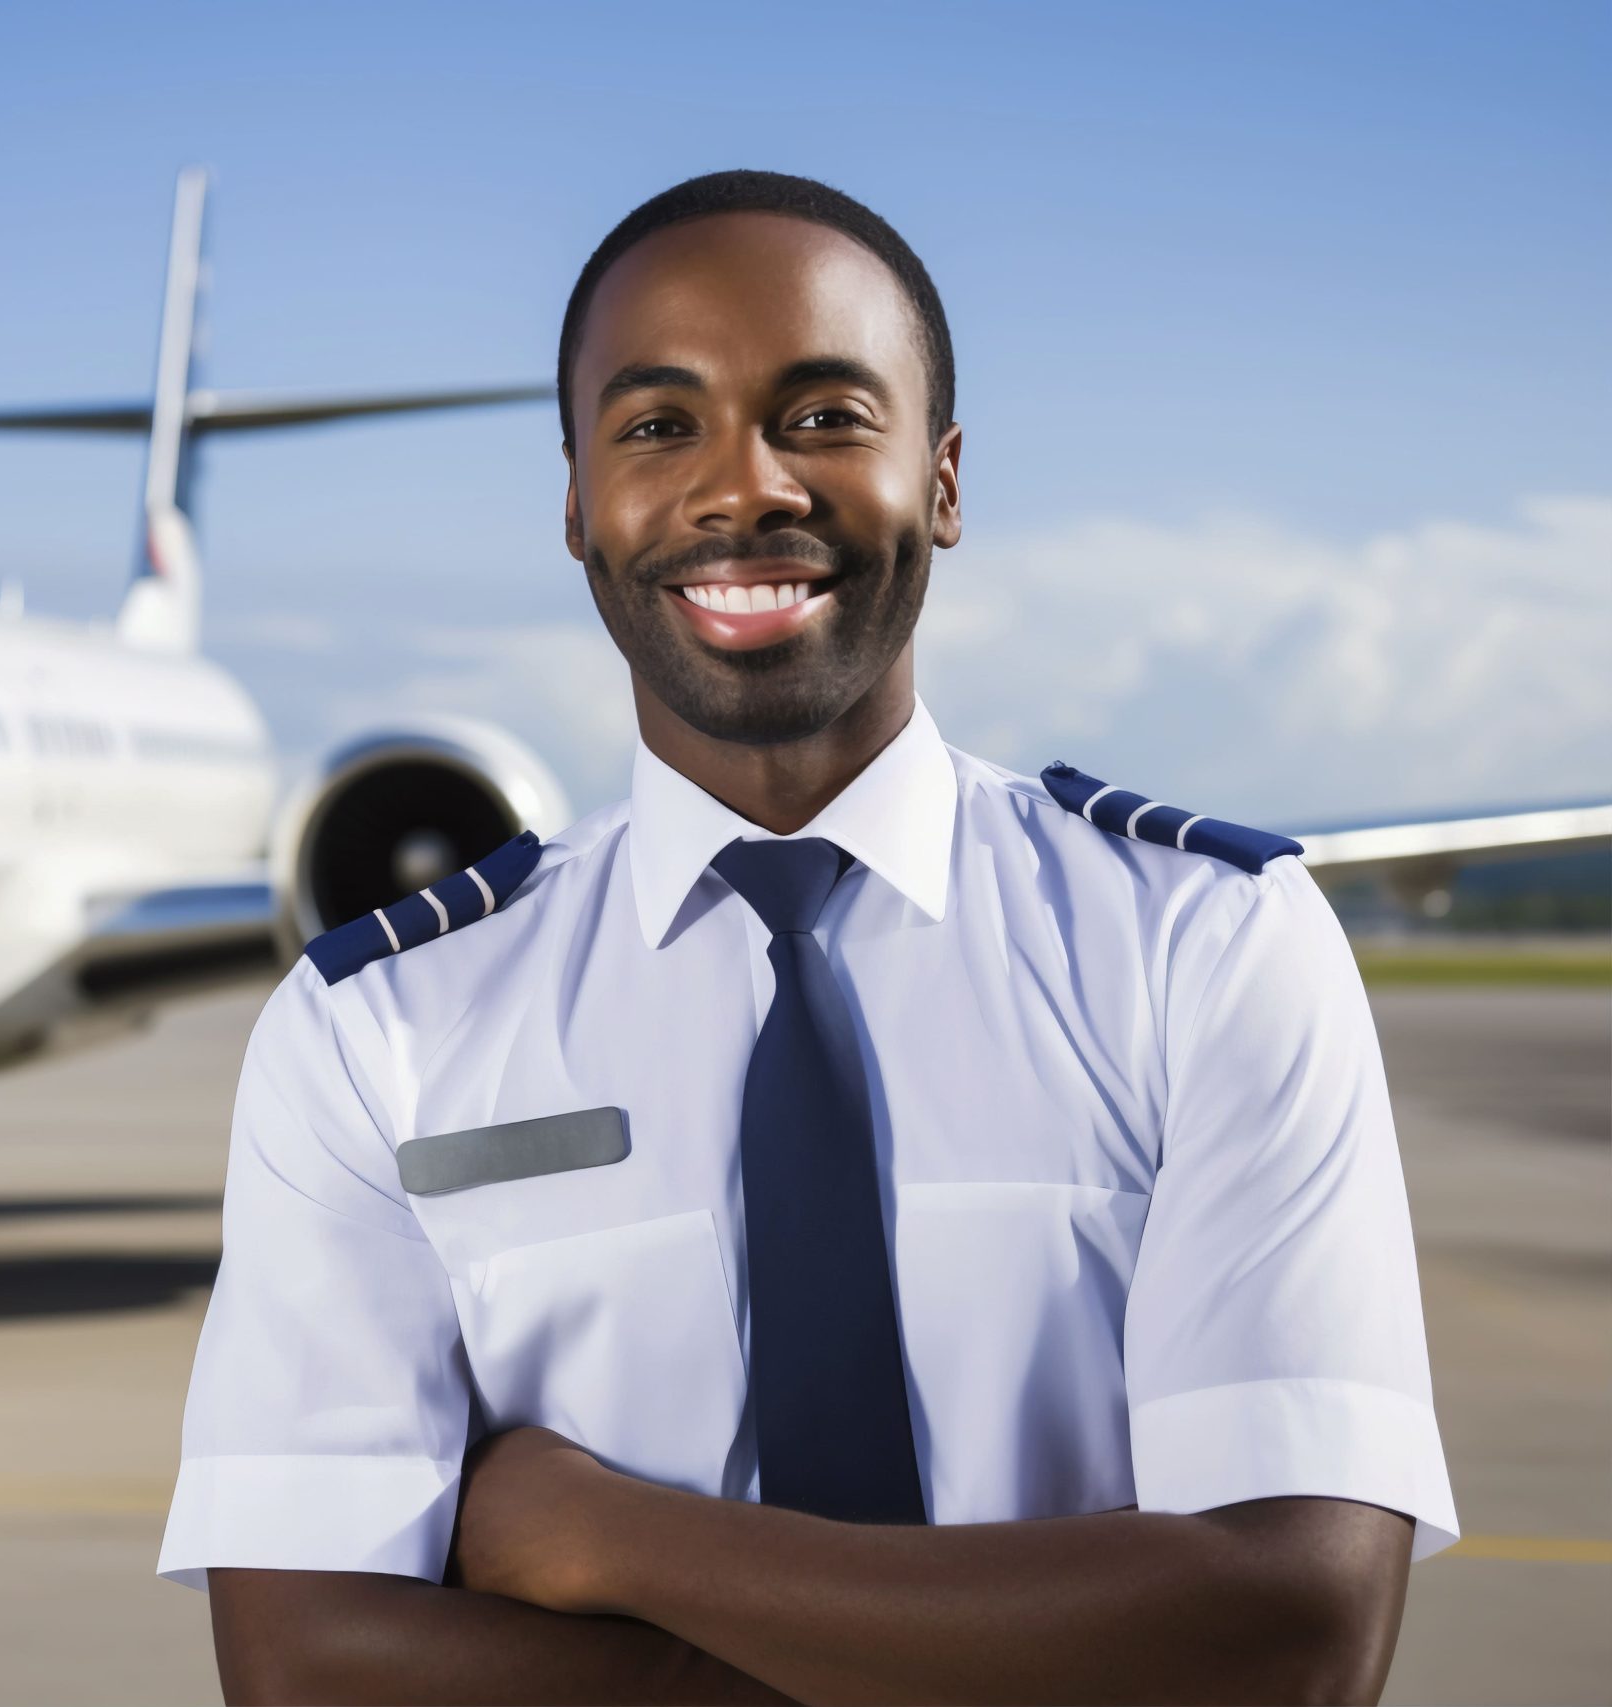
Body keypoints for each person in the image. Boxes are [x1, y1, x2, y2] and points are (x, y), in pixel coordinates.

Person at [155, 170, 1455, 1705]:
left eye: (827, 416)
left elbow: (1286, 1643)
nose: (743, 488)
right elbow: (307, 1671)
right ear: (576, 500)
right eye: (656, 427)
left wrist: (608, 1537)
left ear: (947, 480)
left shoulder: (1211, 950)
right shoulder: (374, 1030)